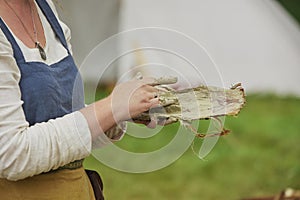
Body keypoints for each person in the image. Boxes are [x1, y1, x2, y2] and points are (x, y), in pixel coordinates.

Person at [0, 0, 166, 199]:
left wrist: (126, 109)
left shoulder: (44, 9)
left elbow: (66, 123)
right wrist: (110, 107)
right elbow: (12, 154)